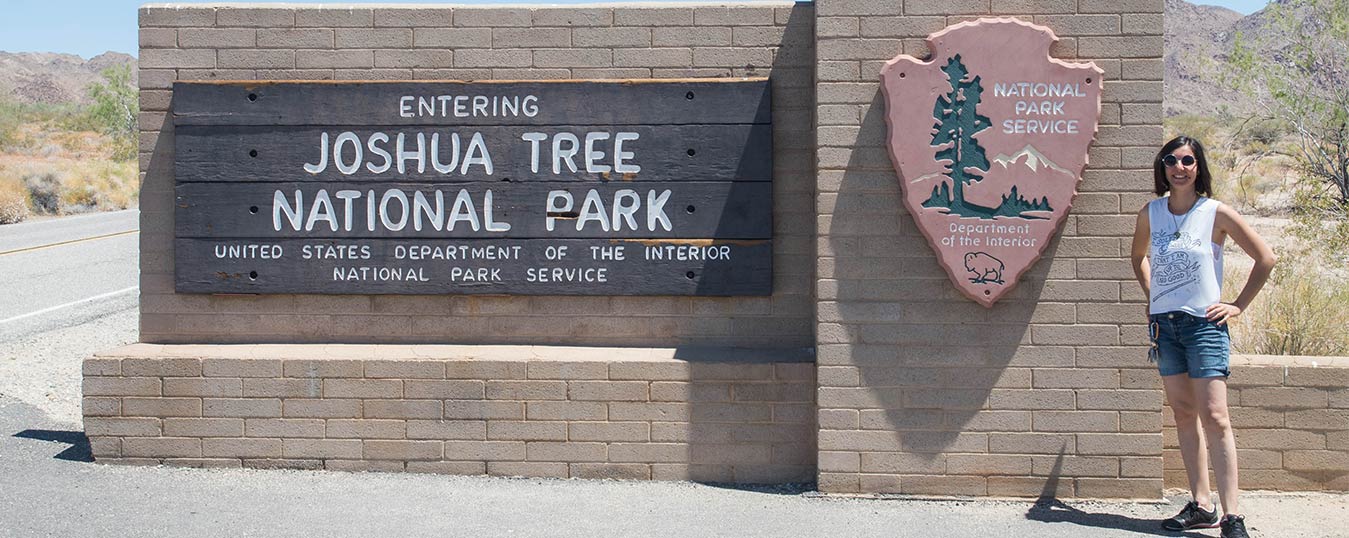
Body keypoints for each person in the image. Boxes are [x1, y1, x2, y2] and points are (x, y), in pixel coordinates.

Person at [1130, 136, 1277, 538]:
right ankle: (1201, 504)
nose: (1179, 167)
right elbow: (1137, 257)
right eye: (1171, 160)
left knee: (1215, 417)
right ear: (1163, 167)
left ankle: (1231, 515)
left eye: (1188, 160)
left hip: (1204, 326)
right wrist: (1153, 296)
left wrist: (1238, 305)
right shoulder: (1151, 213)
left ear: (1199, 168)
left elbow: (1265, 258)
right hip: (1166, 327)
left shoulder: (1216, 213)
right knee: (1182, 413)